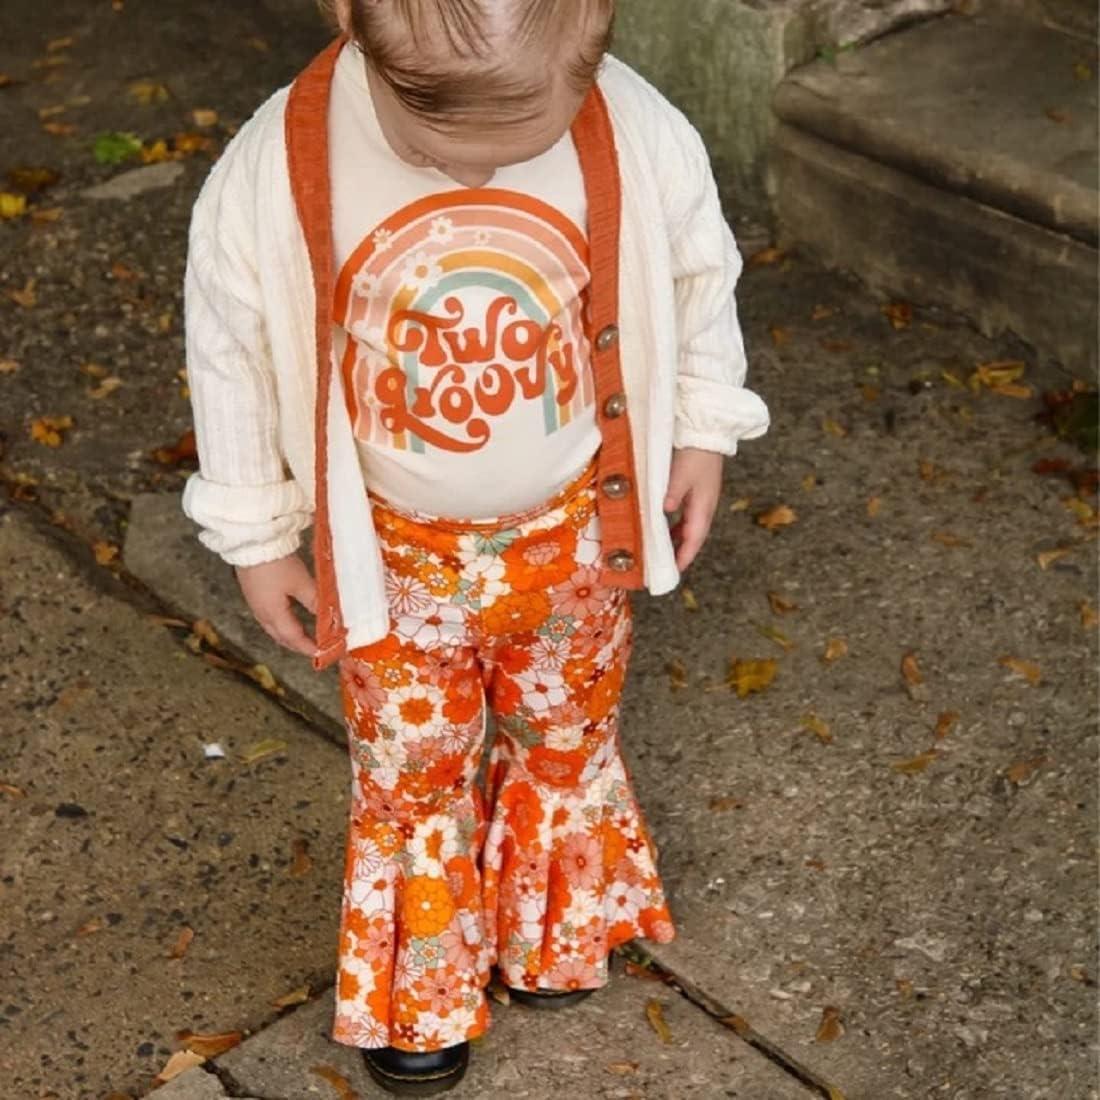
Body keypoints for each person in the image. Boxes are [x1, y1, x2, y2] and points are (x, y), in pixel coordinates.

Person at [181, 0, 769, 1093]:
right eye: (434, 150)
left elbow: (697, 276)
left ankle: (555, 929)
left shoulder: (637, 126)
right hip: (394, 561)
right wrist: (259, 531)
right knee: (412, 775)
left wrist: (701, 422)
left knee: (563, 736)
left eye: (528, 146)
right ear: (349, 22)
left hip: (575, 538)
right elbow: (231, 351)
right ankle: (426, 989)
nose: (481, 181)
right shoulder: (275, 166)